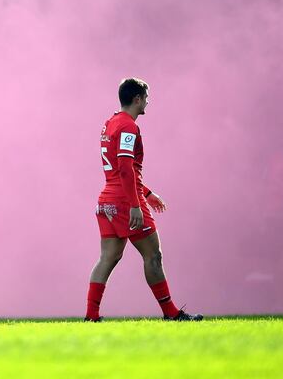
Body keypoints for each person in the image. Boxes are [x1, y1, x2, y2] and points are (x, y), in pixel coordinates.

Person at [85, 78, 202, 322]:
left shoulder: (110, 124)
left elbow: (119, 170)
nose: (148, 101)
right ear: (137, 99)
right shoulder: (128, 127)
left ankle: (91, 316)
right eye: (146, 97)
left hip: (107, 200)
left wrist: (147, 193)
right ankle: (171, 313)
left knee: (108, 258)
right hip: (126, 201)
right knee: (153, 255)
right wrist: (137, 204)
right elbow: (126, 168)